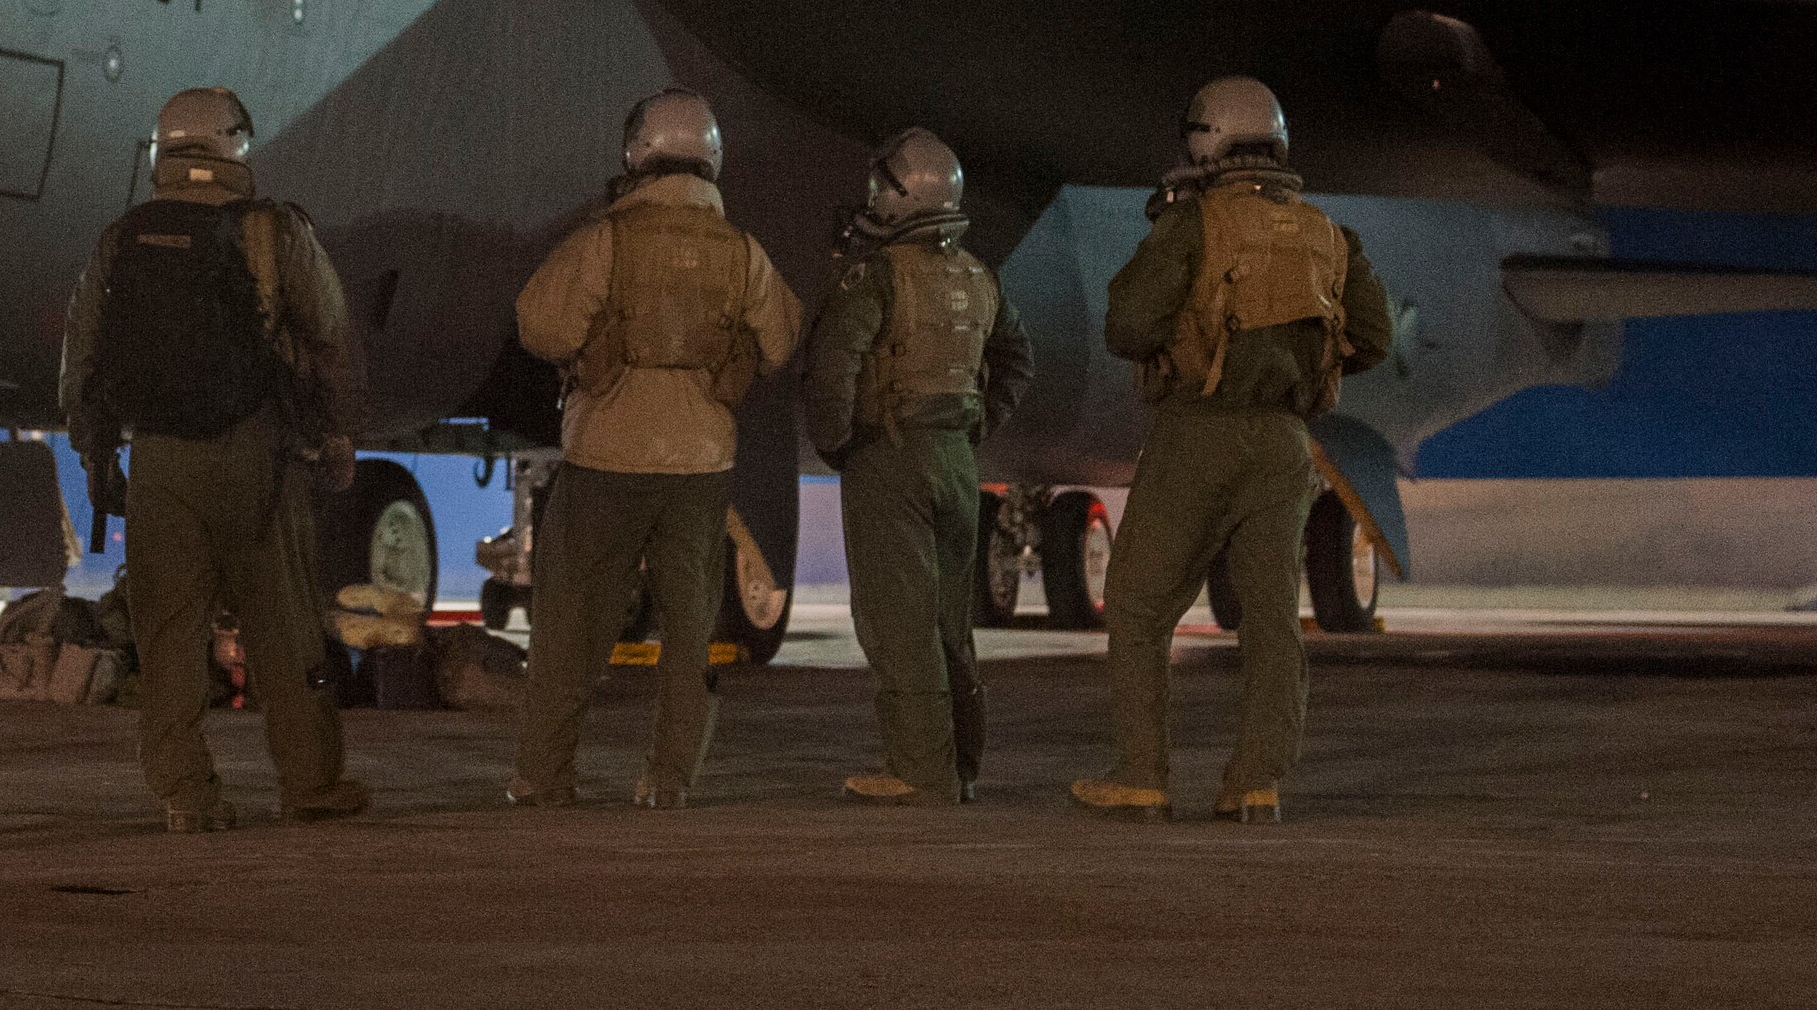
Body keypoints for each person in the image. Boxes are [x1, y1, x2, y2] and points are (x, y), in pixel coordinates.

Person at [1071, 76, 1391, 823]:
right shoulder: (1328, 234)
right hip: (1285, 443)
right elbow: (1373, 336)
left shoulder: (1193, 224)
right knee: (1272, 618)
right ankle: (1255, 782)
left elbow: (1128, 327)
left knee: (1138, 604)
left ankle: (1142, 776)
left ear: (1207, 139)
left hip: (1200, 433)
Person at [60, 87, 369, 833]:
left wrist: (97, 456)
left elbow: (82, 362)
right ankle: (311, 783)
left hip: (160, 464)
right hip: (258, 461)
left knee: (169, 639)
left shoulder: (122, 238)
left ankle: (186, 796)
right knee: (288, 633)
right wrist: (335, 434)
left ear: (162, 151)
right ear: (235, 147)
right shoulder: (273, 231)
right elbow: (331, 337)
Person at [509, 88, 802, 809]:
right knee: (690, 630)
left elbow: (540, 325)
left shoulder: (605, 241)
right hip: (701, 464)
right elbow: (781, 339)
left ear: (637, 153)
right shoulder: (742, 254)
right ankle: (669, 780)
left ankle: (544, 778)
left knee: (572, 624)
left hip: (605, 457)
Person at [803, 128, 1034, 805]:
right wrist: (974, 427)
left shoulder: (874, 278)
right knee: (948, 622)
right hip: (956, 460)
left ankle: (920, 771)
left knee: (897, 621)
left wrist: (840, 445)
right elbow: (1017, 360)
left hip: (890, 459)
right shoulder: (978, 276)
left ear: (902, 196)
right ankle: (962, 764)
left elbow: (832, 370)